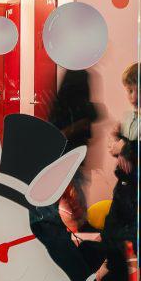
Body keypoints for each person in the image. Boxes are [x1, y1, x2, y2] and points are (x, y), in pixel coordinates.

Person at [102, 63, 141, 281]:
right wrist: (119, 145)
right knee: (110, 235)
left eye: (137, 90)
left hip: (140, 188)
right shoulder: (128, 117)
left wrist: (125, 148)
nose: (133, 96)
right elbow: (114, 141)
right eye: (129, 90)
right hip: (123, 187)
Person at [48, 68, 100, 229]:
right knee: (73, 186)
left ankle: (76, 222)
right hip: (72, 150)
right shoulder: (78, 106)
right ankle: (80, 223)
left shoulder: (63, 105)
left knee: (70, 187)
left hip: (68, 151)